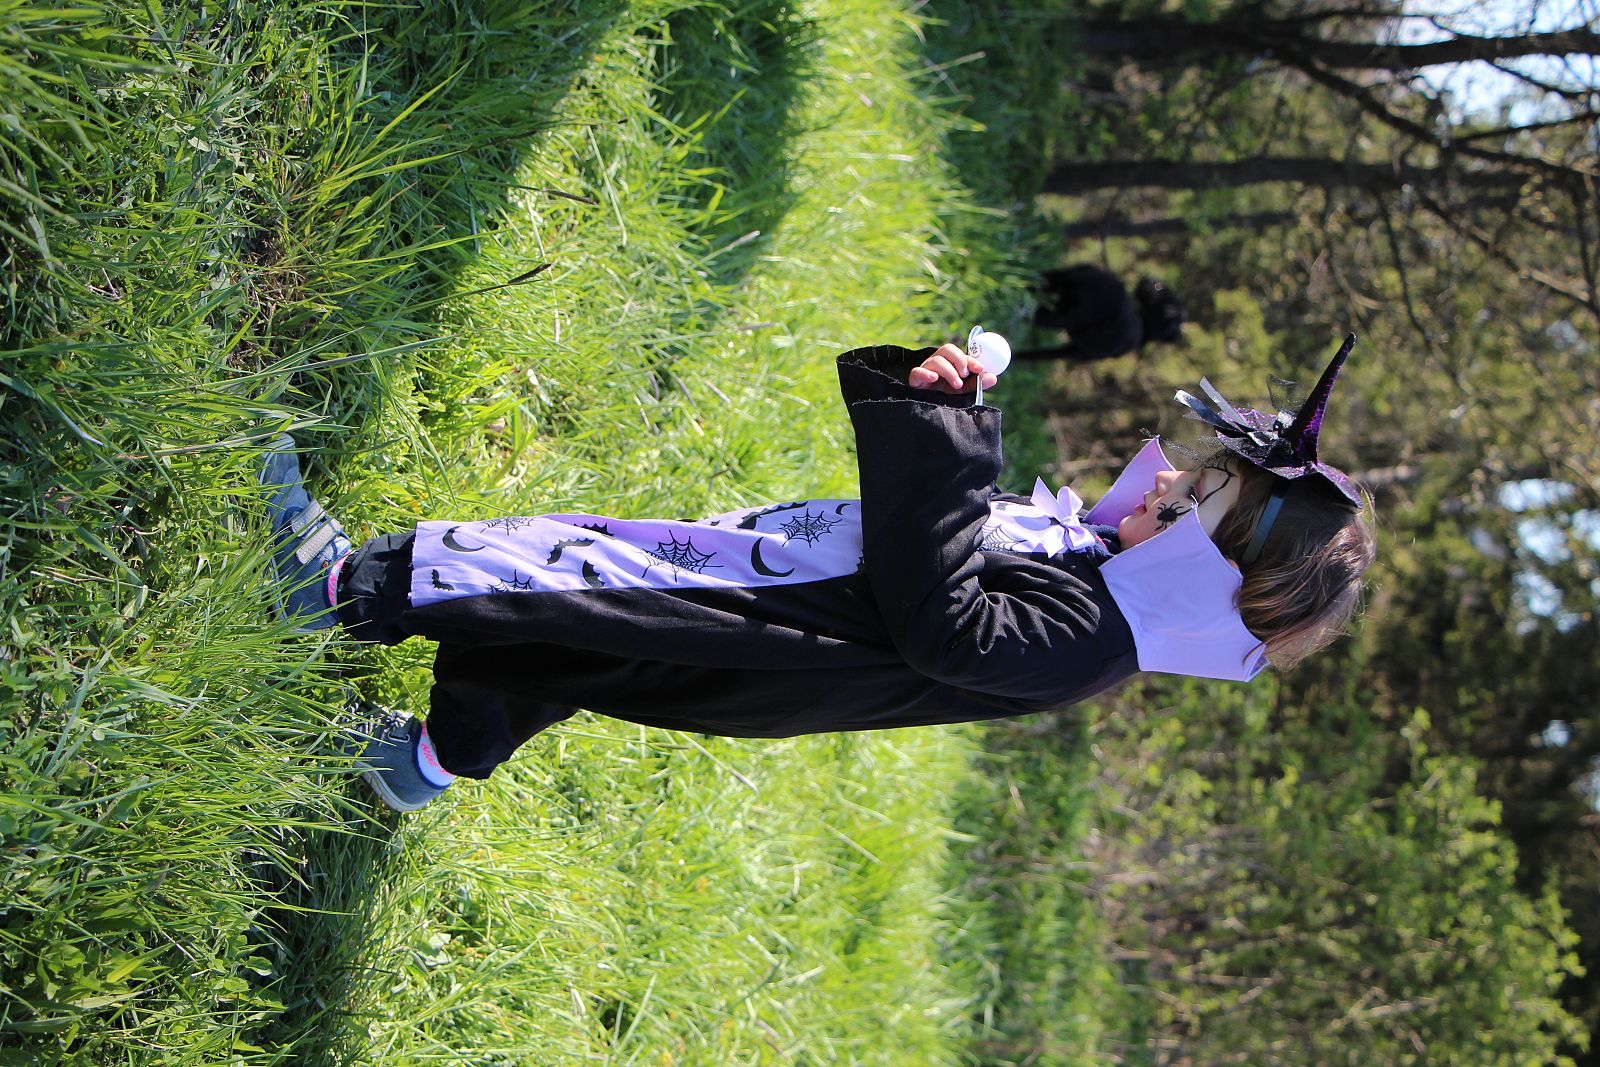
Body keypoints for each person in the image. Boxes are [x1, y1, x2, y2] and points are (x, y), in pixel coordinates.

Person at [260, 336, 1375, 811]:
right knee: (569, 642)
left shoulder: (1090, 642)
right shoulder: (1100, 574)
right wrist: (947, 408)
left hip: (763, 636)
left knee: (564, 578)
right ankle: (428, 760)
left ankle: (339, 587)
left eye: (1195, 499)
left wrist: (945, 449)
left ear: (1214, 573)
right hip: (767, 600)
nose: (1165, 482)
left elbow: (946, 623)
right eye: (1192, 472)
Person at [1015, 265, 1184, 363]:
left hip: (1092, 282)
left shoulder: (1116, 288)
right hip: (1071, 317)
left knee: (1029, 284)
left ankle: (1013, 282)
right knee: (1023, 314)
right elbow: (1065, 352)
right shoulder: (1125, 341)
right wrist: (1016, 358)